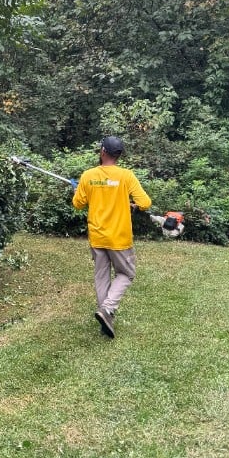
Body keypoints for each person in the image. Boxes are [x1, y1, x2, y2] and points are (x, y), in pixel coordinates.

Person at [71, 136, 152, 338]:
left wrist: (77, 190)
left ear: (102, 151)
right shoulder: (126, 176)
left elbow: (78, 204)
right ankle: (107, 309)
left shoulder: (88, 175)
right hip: (119, 237)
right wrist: (133, 205)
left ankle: (105, 315)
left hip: (97, 236)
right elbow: (145, 202)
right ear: (119, 155)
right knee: (127, 274)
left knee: (101, 277)